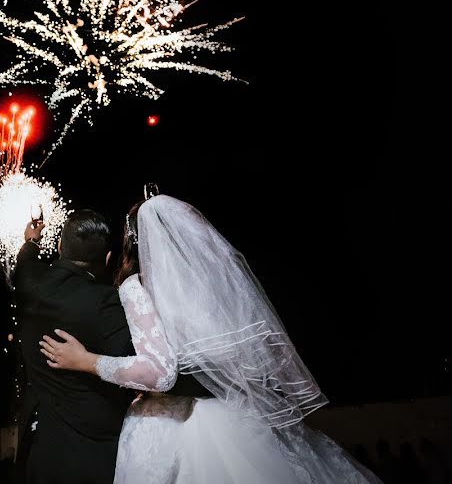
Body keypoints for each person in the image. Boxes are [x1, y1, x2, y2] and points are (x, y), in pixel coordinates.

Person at [38, 195, 383, 483]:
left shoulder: (136, 286)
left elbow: (161, 373)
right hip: (235, 414)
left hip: (174, 426)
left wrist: (87, 361)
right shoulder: (207, 286)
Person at [13, 209, 136, 484]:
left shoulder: (28, 284)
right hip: (95, 456)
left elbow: (26, 260)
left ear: (58, 247)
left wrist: (32, 240)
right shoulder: (107, 304)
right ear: (106, 259)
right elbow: (134, 369)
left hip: (41, 454)